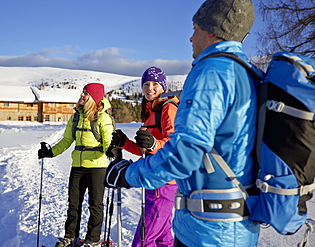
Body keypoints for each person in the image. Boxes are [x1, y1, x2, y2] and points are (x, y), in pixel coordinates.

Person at [104, 0, 262, 246]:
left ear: (211, 30)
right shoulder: (247, 72)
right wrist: (127, 144)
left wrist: (128, 175)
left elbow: (185, 153)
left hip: (208, 226)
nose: (190, 38)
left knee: (145, 239)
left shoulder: (212, 71)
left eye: (195, 29)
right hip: (237, 222)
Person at [38, 82, 114, 247]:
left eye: (85, 94)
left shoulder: (103, 117)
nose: (81, 96)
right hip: (77, 167)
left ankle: (92, 240)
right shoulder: (76, 116)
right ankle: (70, 237)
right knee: (73, 203)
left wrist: (110, 150)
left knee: (95, 205)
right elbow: (66, 140)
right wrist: (50, 152)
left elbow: (109, 140)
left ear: (93, 98)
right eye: (82, 93)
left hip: (97, 168)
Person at [110, 66, 178, 247]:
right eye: (146, 84)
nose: (150, 88)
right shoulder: (151, 112)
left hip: (163, 183)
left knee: (143, 240)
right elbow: (145, 152)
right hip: (154, 180)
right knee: (163, 238)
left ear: (163, 86)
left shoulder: (167, 107)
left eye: (155, 84)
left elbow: (174, 144)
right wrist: (124, 142)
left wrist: (155, 144)